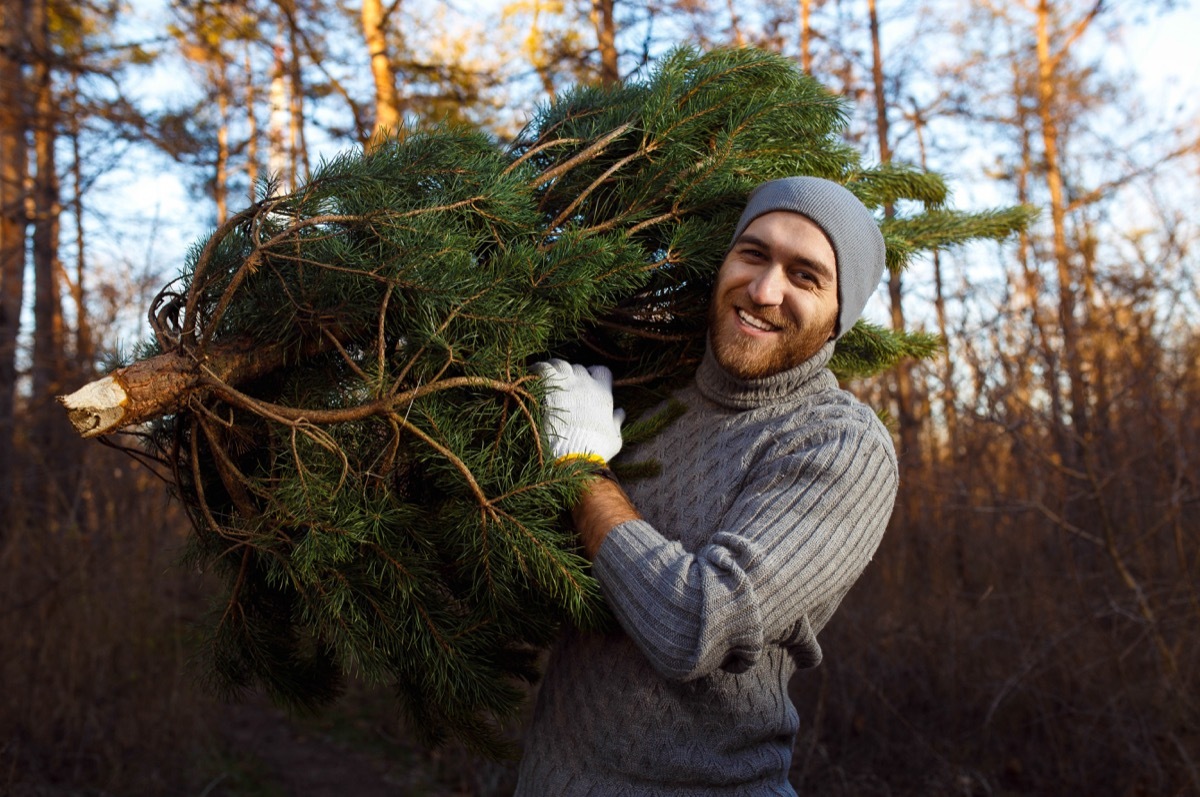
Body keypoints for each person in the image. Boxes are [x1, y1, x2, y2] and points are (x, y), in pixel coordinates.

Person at [517, 176, 899, 796]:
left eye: (806, 277)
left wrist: (583, 468)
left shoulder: (837, 444)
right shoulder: (647, 393)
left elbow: (697, 625)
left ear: (838, 320)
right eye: (754, 253)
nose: (764, 289)